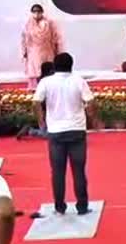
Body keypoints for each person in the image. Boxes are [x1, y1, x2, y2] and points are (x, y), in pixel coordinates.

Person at [33, 53, 95, 215]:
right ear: (71, 65)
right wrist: (91, 119)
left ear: (54, 66)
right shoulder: (79, 81)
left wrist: (41, 122)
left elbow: (36, 102)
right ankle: (82, 206)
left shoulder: (46, 82)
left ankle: (59, 206)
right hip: (76, 130)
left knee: (58, 172)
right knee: (79, 170)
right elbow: (90, 102)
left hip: (56, 132)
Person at [21, 3, 62, 90]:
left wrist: (57, 50)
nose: (36, 14)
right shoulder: (28, 24)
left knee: (47, 71)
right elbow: (23, 38)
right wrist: (24, 51)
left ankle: (49, 90)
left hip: (47, 50)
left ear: (42, 12)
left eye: (38, 11)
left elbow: (55, 37)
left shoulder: (49, 23)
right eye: (34, 11)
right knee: (35, 73)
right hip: (33, 52)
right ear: (31, 13)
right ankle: (36, 91)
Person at [17, 62, 55, 140]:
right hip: (47, 110)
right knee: (50, 135)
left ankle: (31, 130)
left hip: (45, 110)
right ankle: (30, 131)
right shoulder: (47, 81)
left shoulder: (41, 80)